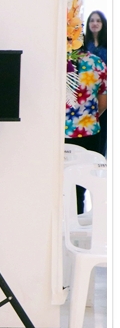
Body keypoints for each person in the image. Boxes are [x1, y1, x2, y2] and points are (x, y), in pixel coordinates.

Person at [65, 43, 107, 212]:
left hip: (55, 134)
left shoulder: (53, 62)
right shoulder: (96, 62)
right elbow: (104, 100)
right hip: (88, 133)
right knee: (80, 187)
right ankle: (77, 221)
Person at [84, 10, 108, 157]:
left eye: (98, 21)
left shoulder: (110, 44)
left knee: (103, 129)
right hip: (88, 92)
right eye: (92, 20)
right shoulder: (83, 44)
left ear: (103, 24)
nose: (95, 23)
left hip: (106, 90)